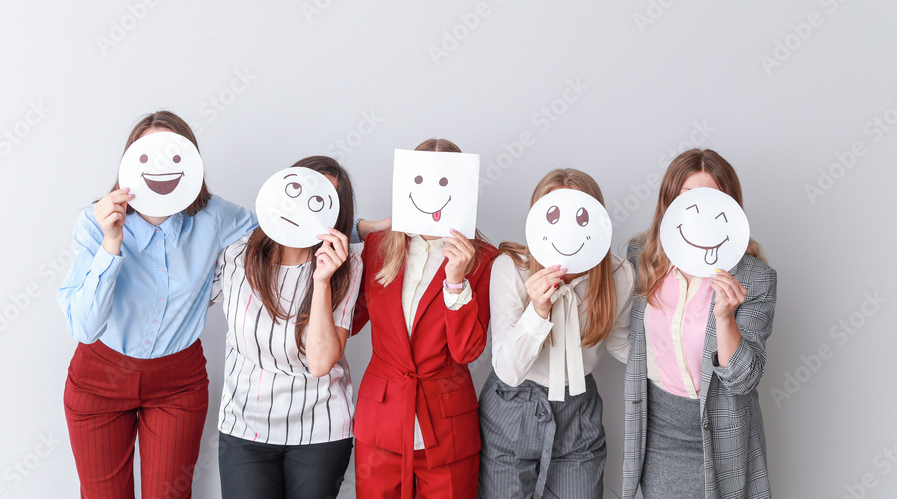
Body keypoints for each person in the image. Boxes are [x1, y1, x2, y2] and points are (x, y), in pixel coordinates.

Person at [58, 110, 258, 499]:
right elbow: (84, 328)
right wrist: (110, 242)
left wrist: (353, 227)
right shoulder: (92, 223)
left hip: (177, 382)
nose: (161, 167)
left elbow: (280, 231)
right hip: (99, 377)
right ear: (129, 163)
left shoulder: (215, 216)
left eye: (174, 156)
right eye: (147, 155)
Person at [623, 148, 777, 499]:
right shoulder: (641, 259)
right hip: (657, 436)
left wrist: (725, 318)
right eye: (687, 199)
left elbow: (744, 379)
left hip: (723, 437)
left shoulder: (755, 277)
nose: (700, 214)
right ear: (668, 204)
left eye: (712, 200)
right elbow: (626, 337)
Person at [351, 138, 498, 499]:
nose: (431, 190)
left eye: (445, 181)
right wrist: (360, 229)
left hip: (448, 427)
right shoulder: (378, 246)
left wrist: (456, 280)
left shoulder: (484, 260)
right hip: (381, 422)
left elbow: (466, 352)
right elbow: (349, 322)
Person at [479, 168, 634, 499]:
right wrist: (536, 311)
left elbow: (620, 341)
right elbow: (508, 371)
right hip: (512, 404)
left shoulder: (619, 275)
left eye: (580, 217)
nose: (566, 230)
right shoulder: (510, 268)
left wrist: (682, 364)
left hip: (578, 409)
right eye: (552, 215)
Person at [213, 156, 362, 499]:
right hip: (244, 428)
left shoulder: (348, 265)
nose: (305, 211)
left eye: (321, 203)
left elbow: (321, 362)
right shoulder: (236, 255)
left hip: (319, 430)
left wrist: (322, 281)